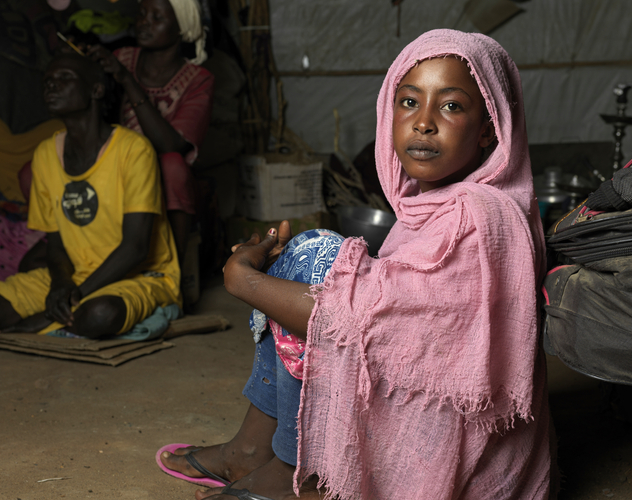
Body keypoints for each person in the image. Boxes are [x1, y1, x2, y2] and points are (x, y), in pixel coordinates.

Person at [159, 29, 555, 500]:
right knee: (307, 260)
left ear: (489, 125)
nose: (423, 123)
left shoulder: (479, 216)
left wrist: (244, 280)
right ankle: (252, 451)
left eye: (451, 106)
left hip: (448, 437)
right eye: (409, 102)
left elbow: (368, 321)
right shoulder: (434, 205)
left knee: (315, 259)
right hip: (415, 393)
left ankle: (294, 472)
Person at [0, 52, 181, 338]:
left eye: (64, 78)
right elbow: (55, 241)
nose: (51, 85)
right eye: (47, 80)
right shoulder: (46, 155)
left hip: (137, 275)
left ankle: (42, 323)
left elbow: (136, 248)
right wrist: (61, 285)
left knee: (100, 315)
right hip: (76, 275)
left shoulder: (133, 151)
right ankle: (52, 322)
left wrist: (75, 295)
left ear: (96, 90)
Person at [86, 0, 214, 266]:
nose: (144, 22)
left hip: (162, 173)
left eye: (157, 17)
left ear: (182, 27)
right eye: (142, 14)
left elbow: (172, 145)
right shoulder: (121, 57)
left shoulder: (198, 79)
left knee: (173, 166)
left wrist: (126, 80)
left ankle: (173, 274)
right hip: (114, 164)